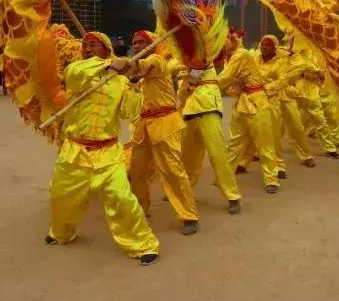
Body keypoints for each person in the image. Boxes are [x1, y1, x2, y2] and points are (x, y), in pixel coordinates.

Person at [46, 31, 160, 266]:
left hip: (107, 152)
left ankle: (142, 244)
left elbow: (130, 111)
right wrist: (109, 64)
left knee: (121, 197)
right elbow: (75, 75)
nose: (87, 48)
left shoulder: (119, 81)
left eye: (93, 45)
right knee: (61, 197)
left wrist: (134, 84)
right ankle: (61, 233)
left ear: (106, 48)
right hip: (75, 150)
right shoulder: (79, 71)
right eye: (85, 45)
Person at [113, 30, 200, 235]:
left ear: (153, 45)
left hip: (164, 123)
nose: (137, 45)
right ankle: (141, 209)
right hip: (144, 126)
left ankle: (189, 215)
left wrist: (119, 62)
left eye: (142, 42)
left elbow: (140, 66)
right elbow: (134, 74)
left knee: (172, 171)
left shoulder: (157, 61)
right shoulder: (142, 77)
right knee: (136, 171)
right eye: (134, 42)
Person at [217, 28, 281, 193]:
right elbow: (231, 87)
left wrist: (203, 83)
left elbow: (224, 79)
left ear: (231, 40)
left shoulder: (241, 54)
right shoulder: (231, 57)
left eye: (220, 40)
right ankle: (225, 176)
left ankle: (271, 179)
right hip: (241, 103)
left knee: (264, 144)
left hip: (257, 103)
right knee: (233, 143)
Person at [178, 55, 242, 215]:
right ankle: (184, 189)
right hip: (189, 111)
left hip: (209, 108)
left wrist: (188, 77)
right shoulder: (180, 60)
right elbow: (182, 90)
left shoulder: (205, 52)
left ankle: (232, 196)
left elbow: (201, 63)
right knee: (186, 155)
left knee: (217, 154)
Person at [260, 35, 317, 173]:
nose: (264, 47)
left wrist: (289, 62)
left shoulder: (290, 56)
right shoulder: (260, 58)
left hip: (285, 94)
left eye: (294, 41)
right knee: (266, 129)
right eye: (262, 44)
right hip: (269, 97)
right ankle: (253, 158)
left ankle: (306, 155)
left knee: (296, 126)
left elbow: (302, 67)